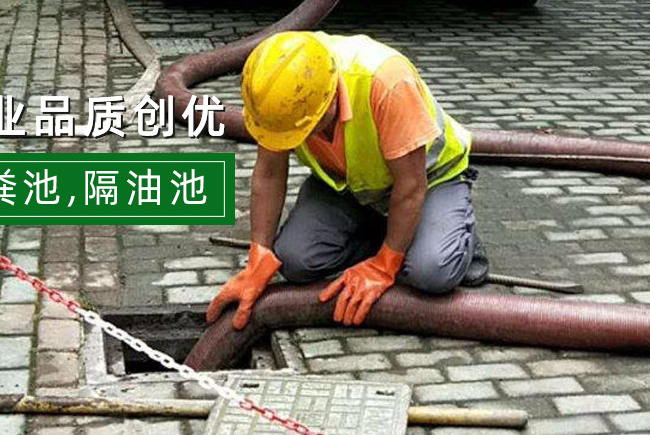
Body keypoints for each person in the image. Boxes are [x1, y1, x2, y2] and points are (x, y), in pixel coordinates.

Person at [206, 31, 486, 329]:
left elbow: (411, 186)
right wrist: (259, 254)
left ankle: (455, 238)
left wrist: (385, 265)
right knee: (294, 260)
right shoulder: (279, 88)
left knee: (431, 270)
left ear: (329, 99)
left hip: (429, 180)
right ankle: (395, 234)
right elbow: (269, 172)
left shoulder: (386, 81)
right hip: (348, 187)